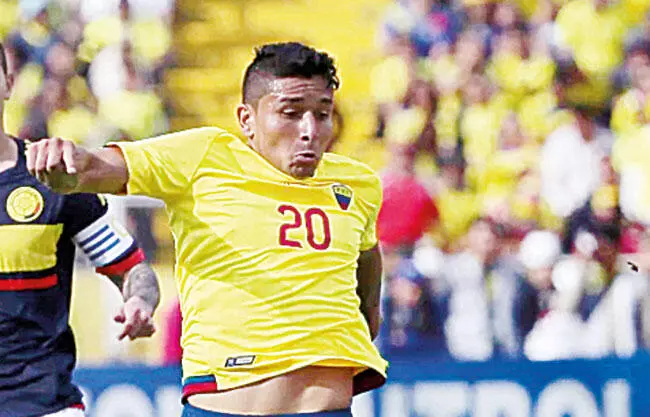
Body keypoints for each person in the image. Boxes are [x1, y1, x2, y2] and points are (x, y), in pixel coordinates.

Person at [27, 42, 388, 417]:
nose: (309, 130)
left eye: (322, 114)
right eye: (291, 113)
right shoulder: (204, 156)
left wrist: (361, 320)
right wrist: (65, 164)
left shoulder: (359, 184)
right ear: (246, 119)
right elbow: (96, 167)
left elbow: (367, 266)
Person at [0, 42, 161, 417]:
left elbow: (132, 269)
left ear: (9, 83)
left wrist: (139, 301)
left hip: (44, 406)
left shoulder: (52, 177)